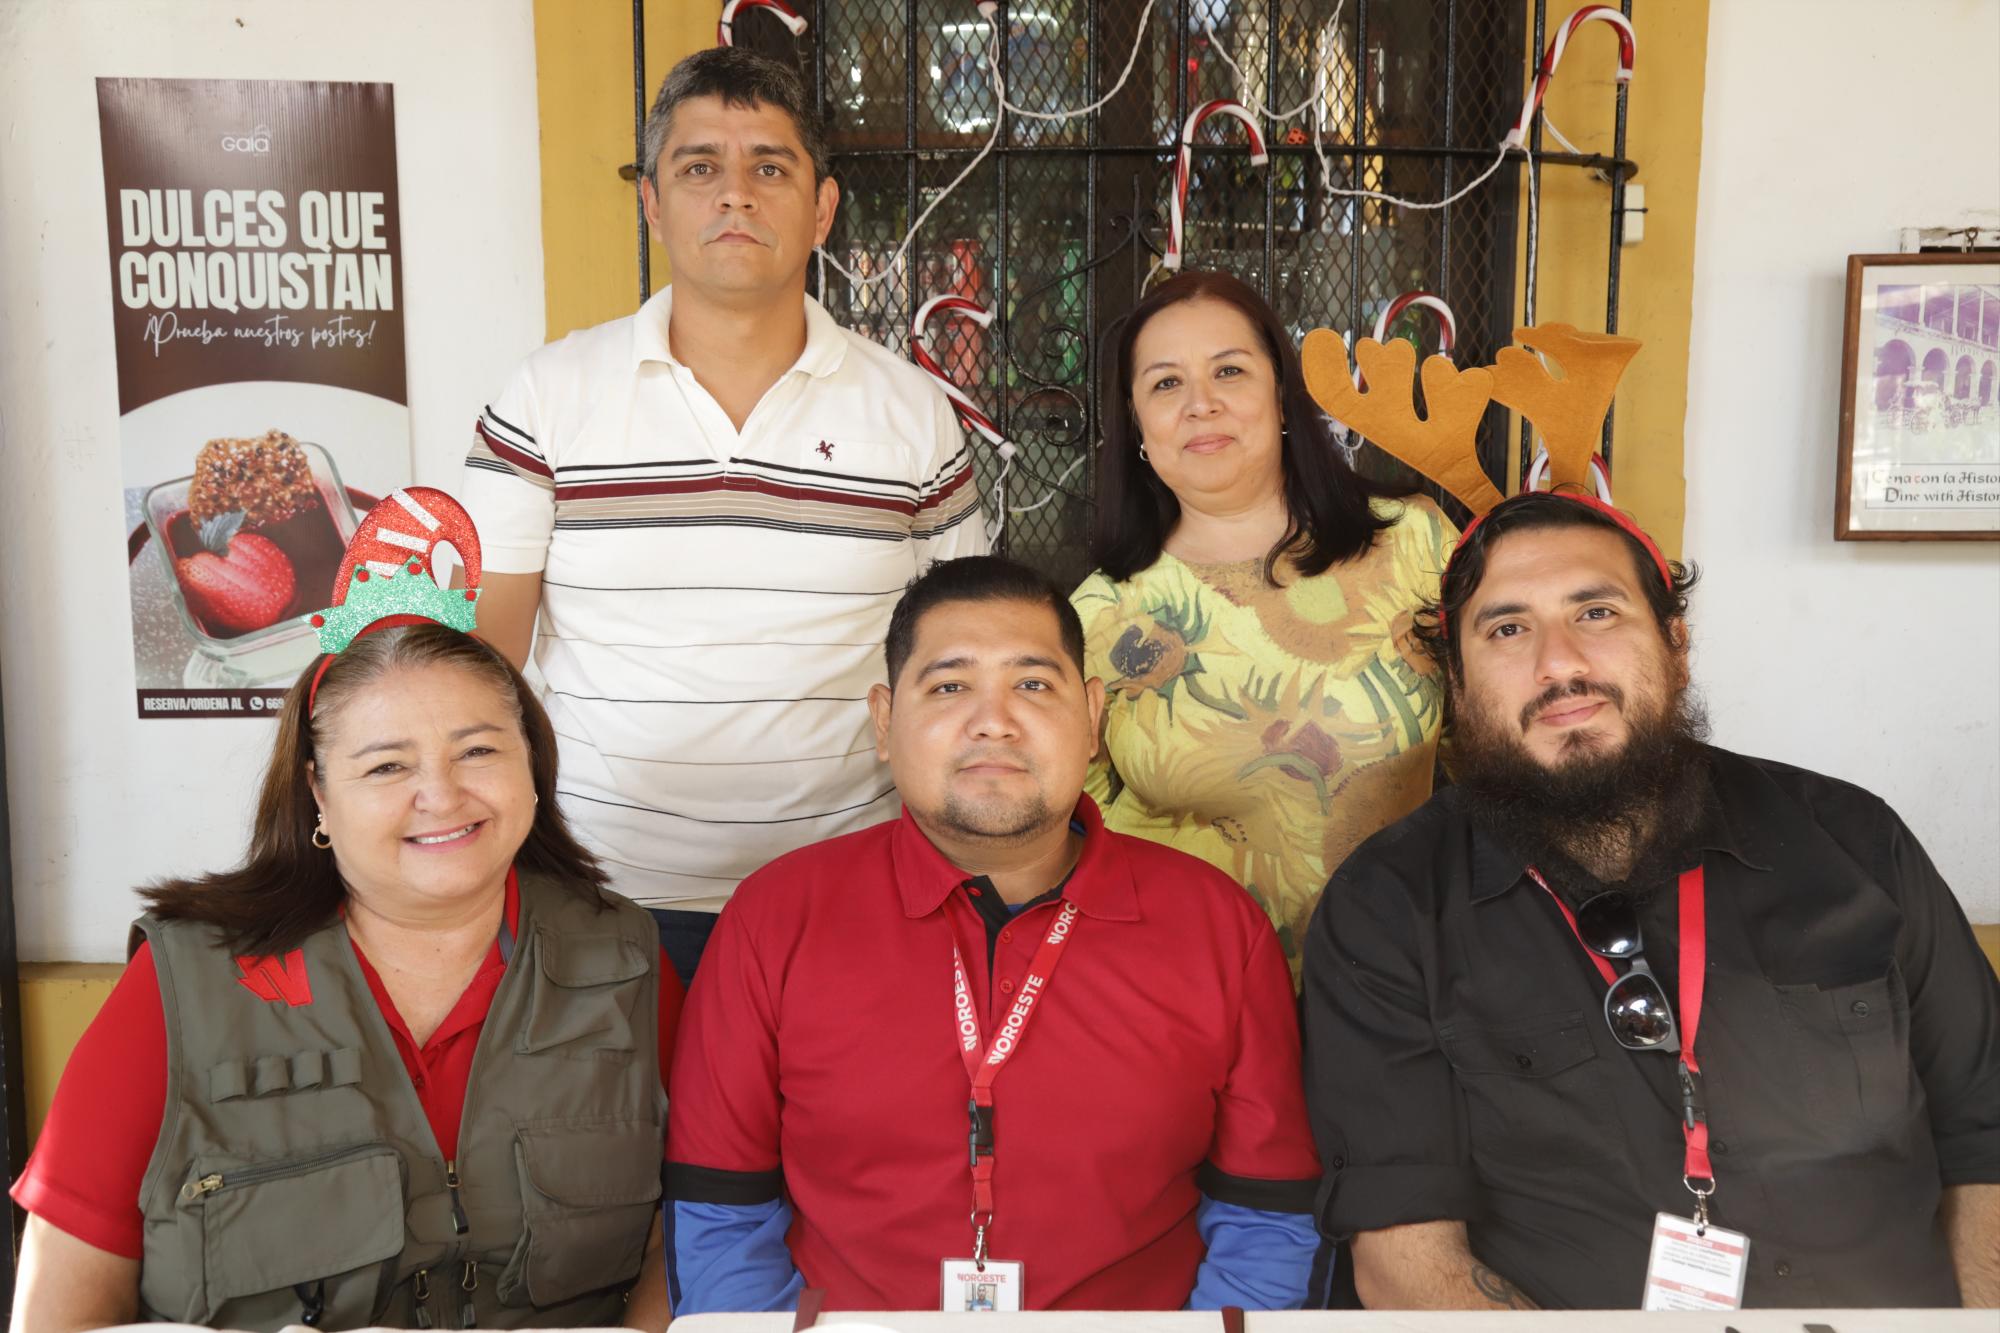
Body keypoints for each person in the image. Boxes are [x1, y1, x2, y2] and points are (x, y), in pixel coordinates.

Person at [1301, 490, 2000, 1310]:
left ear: (1676, 642)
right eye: (1507, 628)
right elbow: (1408, 1265)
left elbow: (1984, 1138)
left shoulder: (1855, 842)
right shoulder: (1387, 908)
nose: (1559, 663)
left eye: (1595, 612)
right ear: (1457, 679)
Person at [10, 501, 683, 1330]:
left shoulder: (630, 959)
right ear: (319, 795)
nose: (441, 795)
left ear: (533, 767)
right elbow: (59, 1309)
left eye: (478, 750)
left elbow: (682, 1240)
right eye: (387, 764)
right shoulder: (182, 983)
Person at [663, 556, 1321, 1313]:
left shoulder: (1216, 926)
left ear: (1095, 717)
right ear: (884, 721)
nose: (994, 719)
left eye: (1034, 684)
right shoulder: (776, 917)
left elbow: (1268, 1216)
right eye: (949, 685)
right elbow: (719, 1213)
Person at [462, 46, 986, 988]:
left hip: (846, 901)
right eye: (699, 167)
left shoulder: (913, 414)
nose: (734, 196)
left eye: (769, 167)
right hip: (596, 904)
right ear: (653, 204)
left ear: (822, 208)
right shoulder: (545, 398)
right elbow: (481, 664)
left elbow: (959, 660)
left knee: (829, 1142)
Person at [1072, 270, 1454, 984]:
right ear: (1135, 424)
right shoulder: (1096, 616)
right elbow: (1072, 837)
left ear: (1280, 396)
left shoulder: (1417, 544)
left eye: (1229, 370)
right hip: (1185, 998)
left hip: (1406, 989)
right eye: (1165, 384)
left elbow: (1498, 751)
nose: (1201, 404)